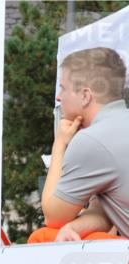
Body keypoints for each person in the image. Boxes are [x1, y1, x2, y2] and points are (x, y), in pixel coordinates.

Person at [31, 47, 128, 243]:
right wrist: (74, 227)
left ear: (85, 95)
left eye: (63, 88)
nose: (59, 96)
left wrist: (59, 145)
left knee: (42, 238)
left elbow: (54, 216)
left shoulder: (92, 141)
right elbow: (104, 211)